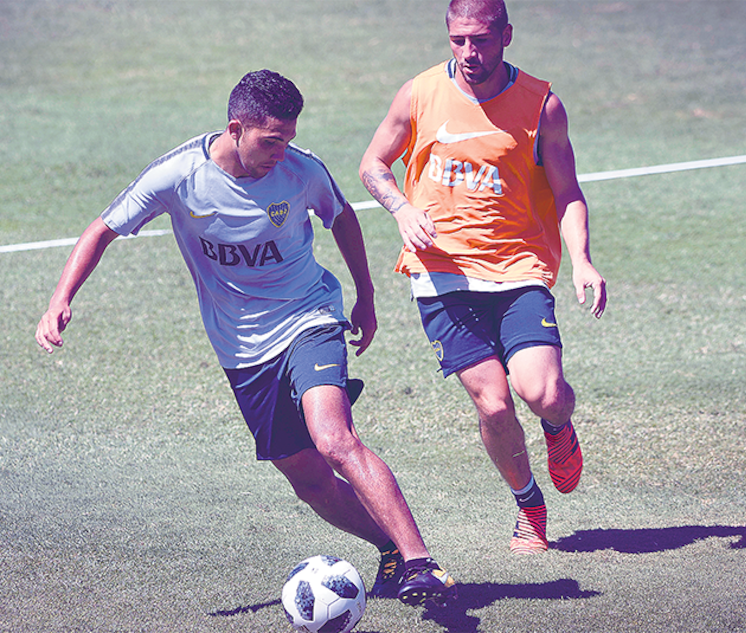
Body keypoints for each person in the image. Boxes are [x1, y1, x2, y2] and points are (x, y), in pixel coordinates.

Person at [35, 69, 456, 606]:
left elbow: (342, 217)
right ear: (236, 128)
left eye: (289, 138)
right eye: (271, 140)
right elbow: (102, 228)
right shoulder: (178, 176)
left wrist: (365, 297)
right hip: (241, 347)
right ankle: (390, 550)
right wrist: (60, 299)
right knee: (308, 481)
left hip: (310, 316)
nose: (282, 150)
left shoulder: (301, 172)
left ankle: (422, 562)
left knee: (333, 440)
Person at [359, 0, 607, 555]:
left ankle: (557, 427)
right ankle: (529, 507)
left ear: (506, 36)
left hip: (518, 267)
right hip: (441, 273)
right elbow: (373, 164)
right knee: (494, 405)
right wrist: (401, 208)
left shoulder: (542, 105)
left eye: (482, 40)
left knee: (541, 392)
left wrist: (583, 260)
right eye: (458, 40)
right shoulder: (419, 92)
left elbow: (567, 192)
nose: (470, 53)